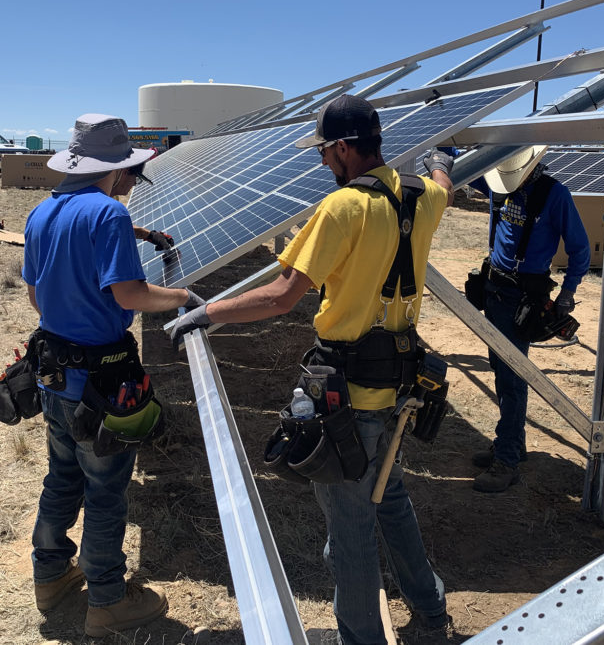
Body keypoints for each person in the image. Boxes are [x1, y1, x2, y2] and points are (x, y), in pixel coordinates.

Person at [169, 95, 455, 644]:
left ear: (346, 148)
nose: (323, 162)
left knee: (349, 537)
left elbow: (281, 297)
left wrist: (207, 313)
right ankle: (432, 611)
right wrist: (442, 155)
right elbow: (442, 181)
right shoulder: (422, 199)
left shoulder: (343, 208)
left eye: (327, 151)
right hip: (399, 393)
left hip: (350, 403)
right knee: (391, 500)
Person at [22, 113, 204, 637]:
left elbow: (35, 293)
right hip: (99, 381)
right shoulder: (107, 215)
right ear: (116, 168)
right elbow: (131, 295)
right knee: (105, 490)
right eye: (129, 171)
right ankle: (106, 600)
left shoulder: (42, 211)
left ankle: (51, 575)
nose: (130, 181)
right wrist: (185, 298)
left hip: (52, 373)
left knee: (61, 477)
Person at [469, 146, 590, 493]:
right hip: (493, 290)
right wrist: (444, 143)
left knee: (512, 376)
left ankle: (506, 459)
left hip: (521, 298)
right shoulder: (499, 186)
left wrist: (567, 293)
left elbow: (580, 249)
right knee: (501, 370)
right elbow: (461, 167)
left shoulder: (555, 195)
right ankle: (513, 444)